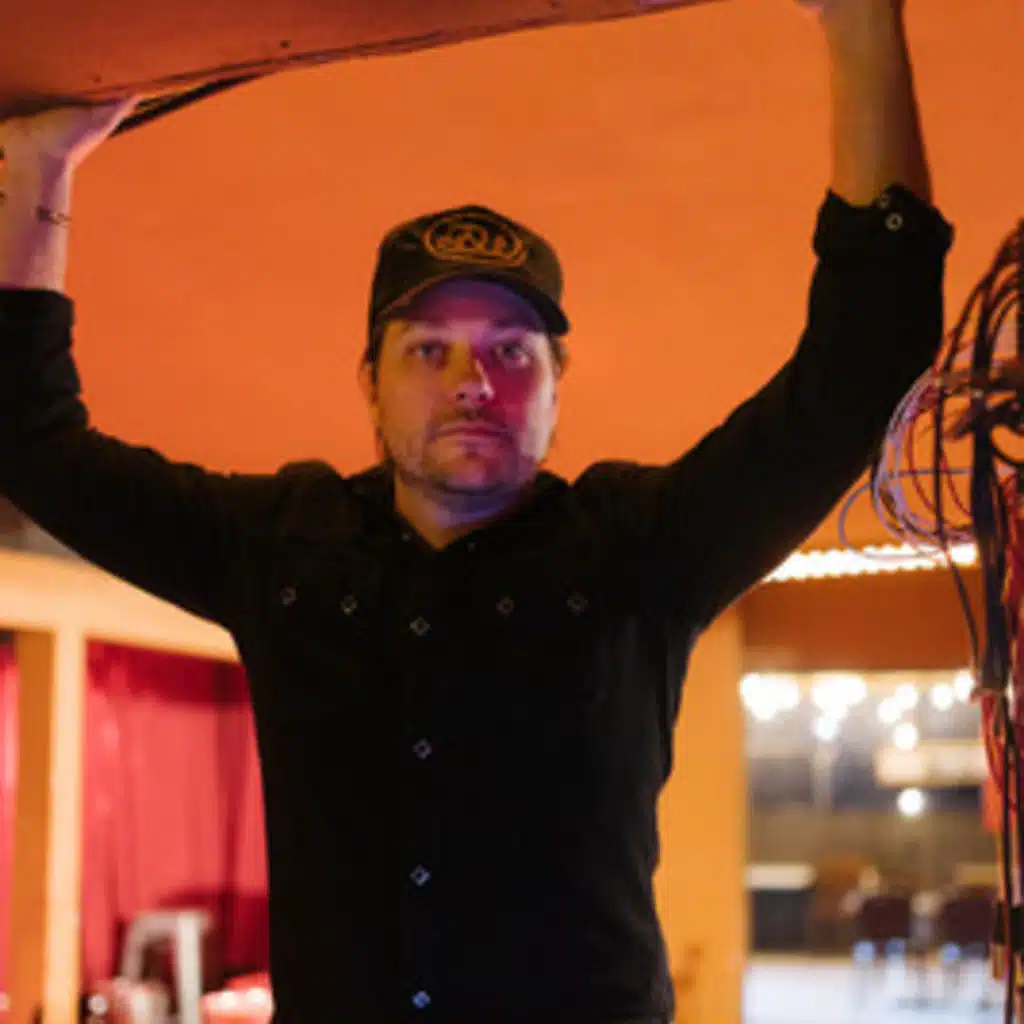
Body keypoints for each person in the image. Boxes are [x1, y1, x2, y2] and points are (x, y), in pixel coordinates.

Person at [0, 0, 952, 1020]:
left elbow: (863, 364)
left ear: (556, 389)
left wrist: (862, 26)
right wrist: (39, 171)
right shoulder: (279, 547)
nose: (472, 381)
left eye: (511, 351)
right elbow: (31, 443)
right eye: (429, 349)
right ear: (369, 384)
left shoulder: (637, 550)